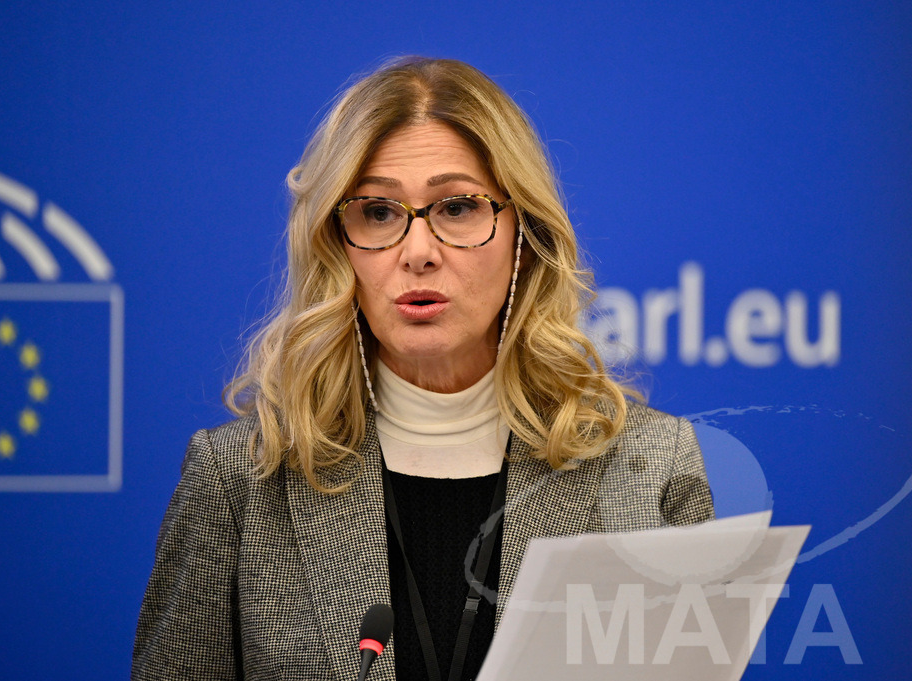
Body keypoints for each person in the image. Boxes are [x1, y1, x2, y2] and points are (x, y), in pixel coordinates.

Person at [132, 56, 714, 681]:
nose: (417, 253)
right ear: (337, 244)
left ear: (525, 234)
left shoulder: (653, 466)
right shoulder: (239, 478)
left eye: (457, 208)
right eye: (378, 212)